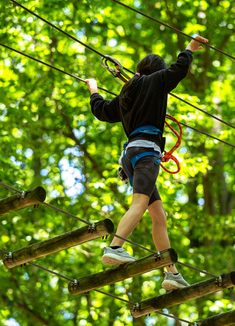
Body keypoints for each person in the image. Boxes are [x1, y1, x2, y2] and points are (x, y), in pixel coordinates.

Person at [86, 36, 209, 290]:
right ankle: (115, 247)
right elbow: (178, 71)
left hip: (132, 156)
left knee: (158, 215)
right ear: (157, 72)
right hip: (145, 153)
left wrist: (93, 90)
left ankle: (171, 273)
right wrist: (189, 49)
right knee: (140, 204)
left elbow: (101, 111)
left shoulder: (126, 95)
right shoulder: (156, 82)